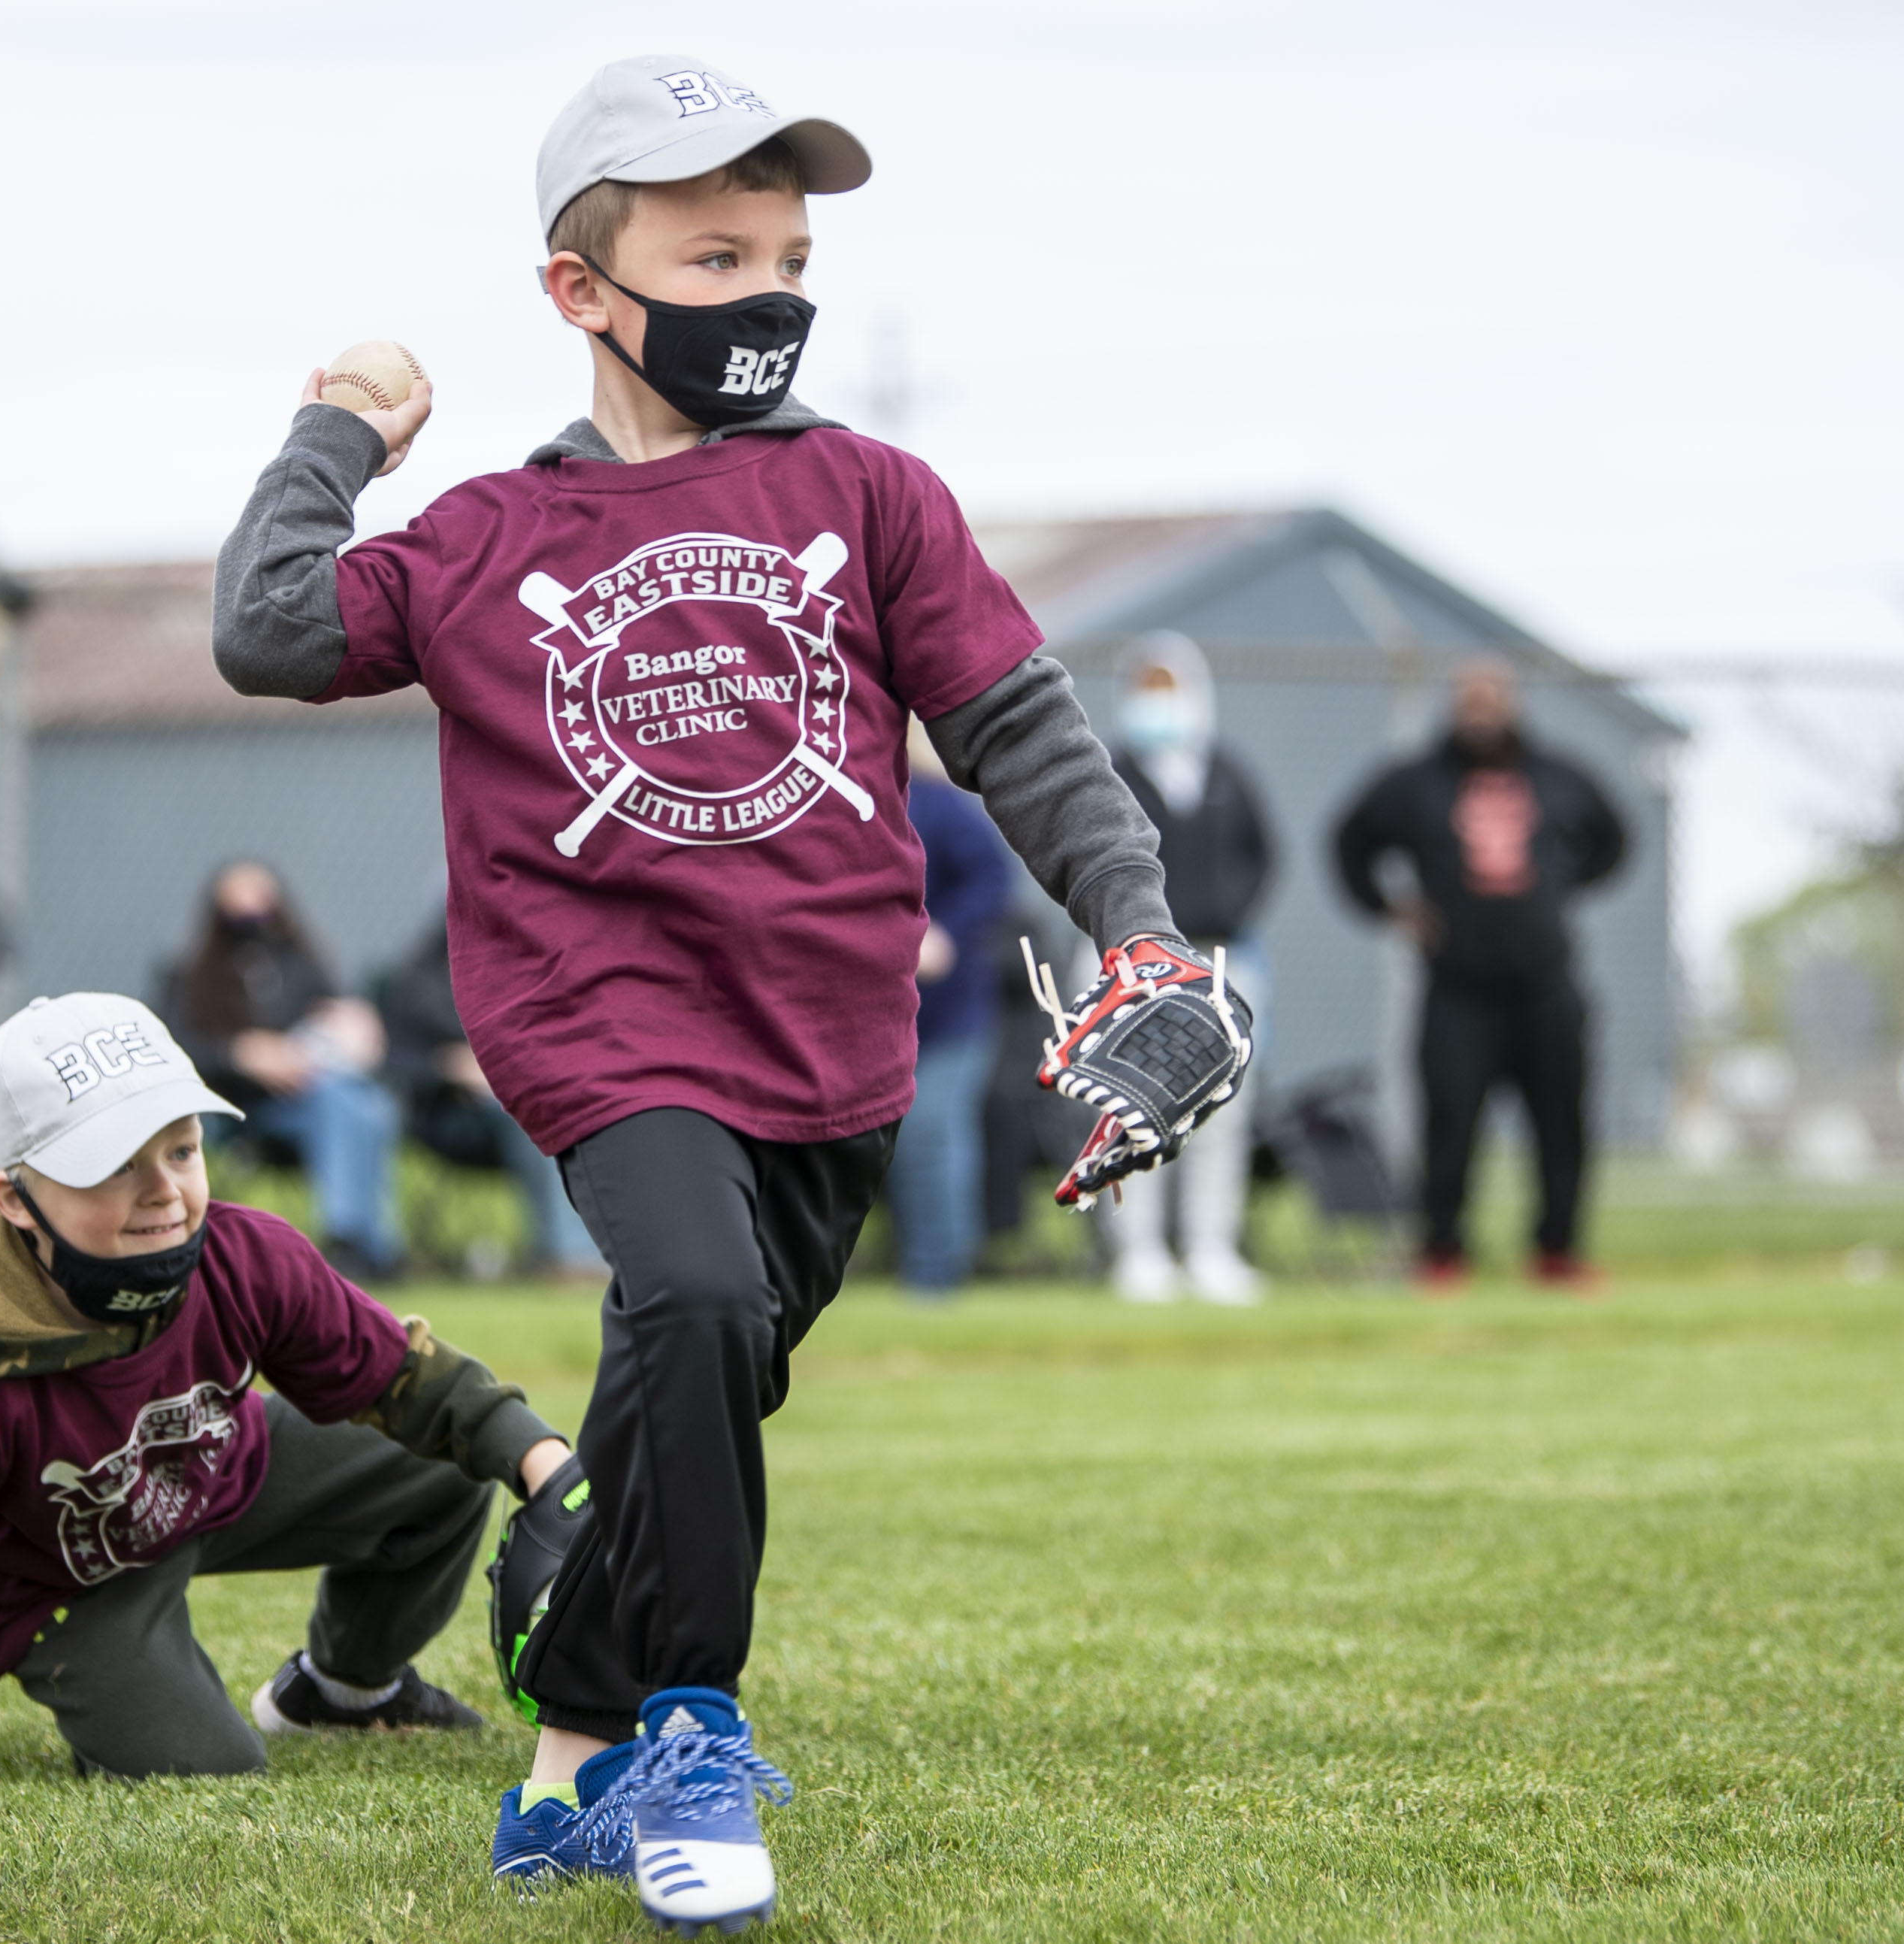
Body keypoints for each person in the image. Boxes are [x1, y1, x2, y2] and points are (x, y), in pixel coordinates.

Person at [210, 54, 1218, 1930]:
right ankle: (687, 1731)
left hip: (832, 1034)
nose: (765, 290)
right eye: (713, 251)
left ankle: (565, 1737)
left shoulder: (869, 491)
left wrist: (1136, 922)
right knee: (682, 1294)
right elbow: (267, 628)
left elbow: (1020, 728)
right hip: (598, 1020)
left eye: (789, 252)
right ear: (580, 291)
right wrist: (338, 428)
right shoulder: (488, 542)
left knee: (707, 1373)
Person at [0, 994, 571, 1806]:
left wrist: (548, 1464)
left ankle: (343, 1691)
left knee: (444, 1463)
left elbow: (401, 1376)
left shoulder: (245, 1257)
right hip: (62, 1583)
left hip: (208, 1480)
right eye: (113, 1166)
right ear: (15, 1199)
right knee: (207, 1770)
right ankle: (119, 1683)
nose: (163, 1190)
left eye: (180, 1150)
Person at [1333, 657, 1626, 1292]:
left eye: (1492, 696)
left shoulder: (1558, 778)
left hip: (1545, 983)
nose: (1481, 709)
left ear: (1514, 704)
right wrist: (1393, 908)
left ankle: (1558, 1250)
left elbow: (1615, 839)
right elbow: (1349, 843)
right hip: (1458, 988)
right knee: (1450, 1119)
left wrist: (1558, 887)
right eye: (1469, 697)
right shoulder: (1415, 783)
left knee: (1560, 1121)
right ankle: (1441, 1250)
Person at [1101, 632, 1274, 1304]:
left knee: (1219, 1108)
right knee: (1137, 1105)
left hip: (1219, 956)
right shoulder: (1110, 771)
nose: (1157, 705)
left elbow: (1263, 854)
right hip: (1134, 958)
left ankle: (1211, 1248)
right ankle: (1138, 1252)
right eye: (1146, 690)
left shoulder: (1226, 772)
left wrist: (1227, 907)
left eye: (1168, 690)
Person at [159, 861, 406, 1282]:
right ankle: (356, 1240)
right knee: (345, 1103)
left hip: (308, 1097)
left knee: (370, 1105)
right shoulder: (190, 974)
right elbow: (173, 1046)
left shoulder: (301, 966)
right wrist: (240, 1052)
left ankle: (371, 1243)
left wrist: (350, 1027)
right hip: (238, 1108)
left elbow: (333, 1017)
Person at [375, 907, 608, 1278]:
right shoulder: (417, 983)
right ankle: (570, 1256)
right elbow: (392, 1064)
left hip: (536, 1096)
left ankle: (613, 1250)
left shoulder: (532, 972)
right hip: (451, 1116)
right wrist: (447, 1067)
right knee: (534, 1114)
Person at [882, 719, 1013, 1296]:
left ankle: (938, 1273)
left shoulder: (937, 806)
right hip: (881, 1023)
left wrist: (946, 935)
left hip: (949, 1019)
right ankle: (918, 1263)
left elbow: (993, 878)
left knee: (933, 1135)